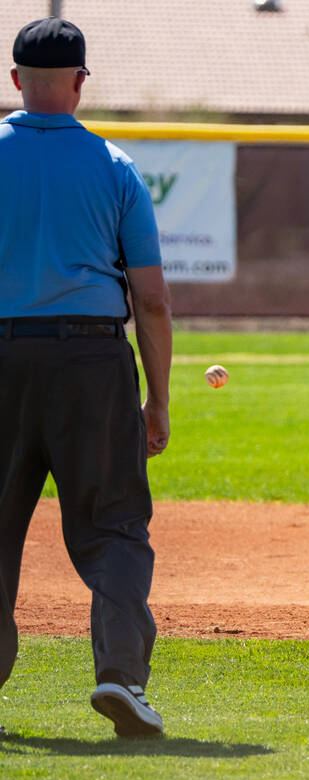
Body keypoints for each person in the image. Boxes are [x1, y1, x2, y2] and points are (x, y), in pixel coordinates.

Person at [1, 18, 173, 736]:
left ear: (14, 81)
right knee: (113, 529)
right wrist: (157, 400)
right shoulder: (115, 166)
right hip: (93, 360)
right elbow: (153, 299)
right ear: (79, 83)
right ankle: (119, 678)